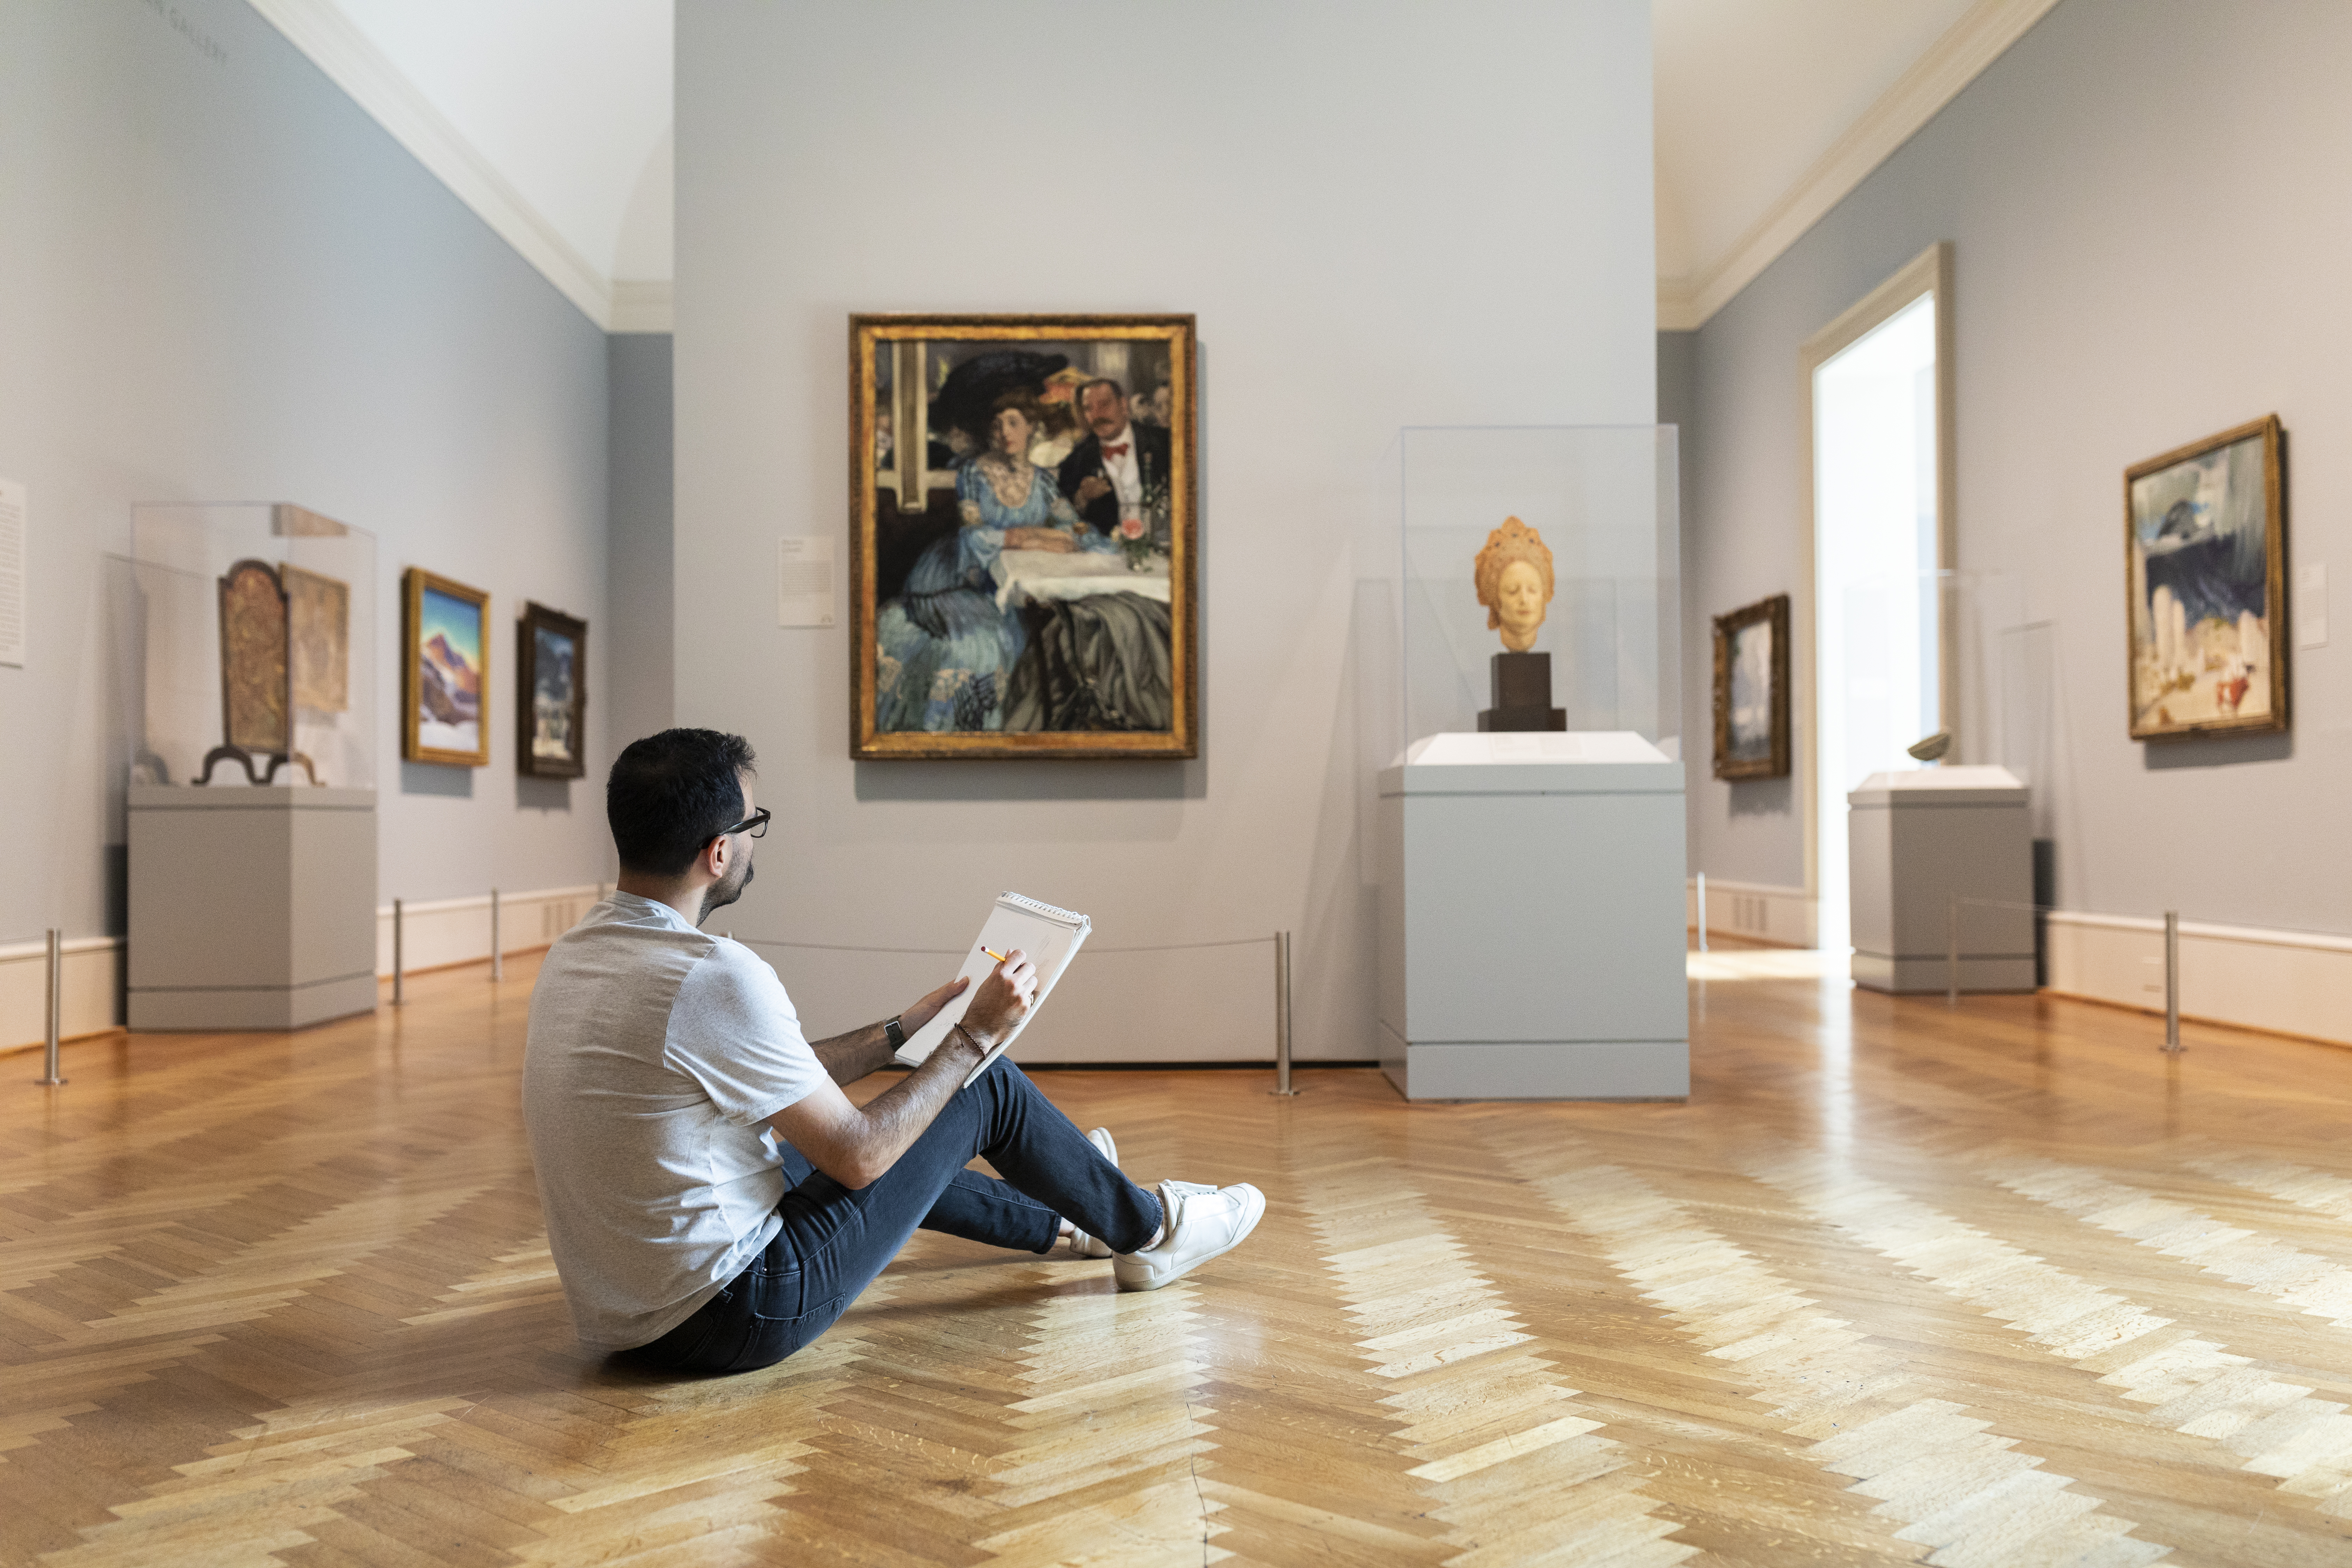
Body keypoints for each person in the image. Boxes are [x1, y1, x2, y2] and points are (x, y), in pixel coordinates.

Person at [522, 729, 1265, 1375]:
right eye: (755, 824)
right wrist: (975, 1035)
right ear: (719, 853)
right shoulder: (715, 975)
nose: (756, 840)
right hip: (736, 1312)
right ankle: (1149, 1230)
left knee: (810, 1142)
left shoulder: (580, 952)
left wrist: (900, 1032)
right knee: (989, 1087)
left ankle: (1069, 1215)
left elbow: (764, 1072)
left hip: (627, 1315)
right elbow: (862, 1157)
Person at [873, 393, 1103, 732]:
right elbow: (974, 535)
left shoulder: (1043, 482)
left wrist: (1055, 534)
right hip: (961, 576)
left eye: (1013, 423)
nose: (1004, 432)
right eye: (997, 426)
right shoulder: (974, 474)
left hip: (1015, 581)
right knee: (980, 645)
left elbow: (1072, 528)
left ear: (1032, 428)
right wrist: (1029, 537)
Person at [1058, 379, 1173, 539]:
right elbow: (1060, 518)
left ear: (1123, 406)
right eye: (1089, 409)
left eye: (1104, 405)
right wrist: (1082, 497)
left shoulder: (1166, 443)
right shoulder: (1076, 461)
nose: (1097, 415)